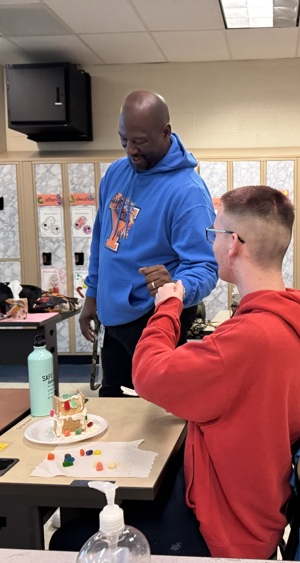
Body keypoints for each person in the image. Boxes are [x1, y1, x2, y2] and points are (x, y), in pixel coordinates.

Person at [130, 185, 300, 558]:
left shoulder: (248, 338)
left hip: (228, 525)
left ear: (233, 244)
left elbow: (148, 372)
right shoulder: (292, 319)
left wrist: (168, 306)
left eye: (214, 233)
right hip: (262, 505)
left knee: (71, 536)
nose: (212, 244)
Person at [79, 90, 218, 397]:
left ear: (165, 132)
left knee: (152, 414)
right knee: (114, 402)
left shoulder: (188, 192)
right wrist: (93, 295)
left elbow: (206, 267)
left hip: (153, 317)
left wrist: (176, 286)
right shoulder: (116, 172)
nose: (131, 150)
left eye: (139, 141)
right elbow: (103, 239)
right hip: (113, 315)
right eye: (123, 139)